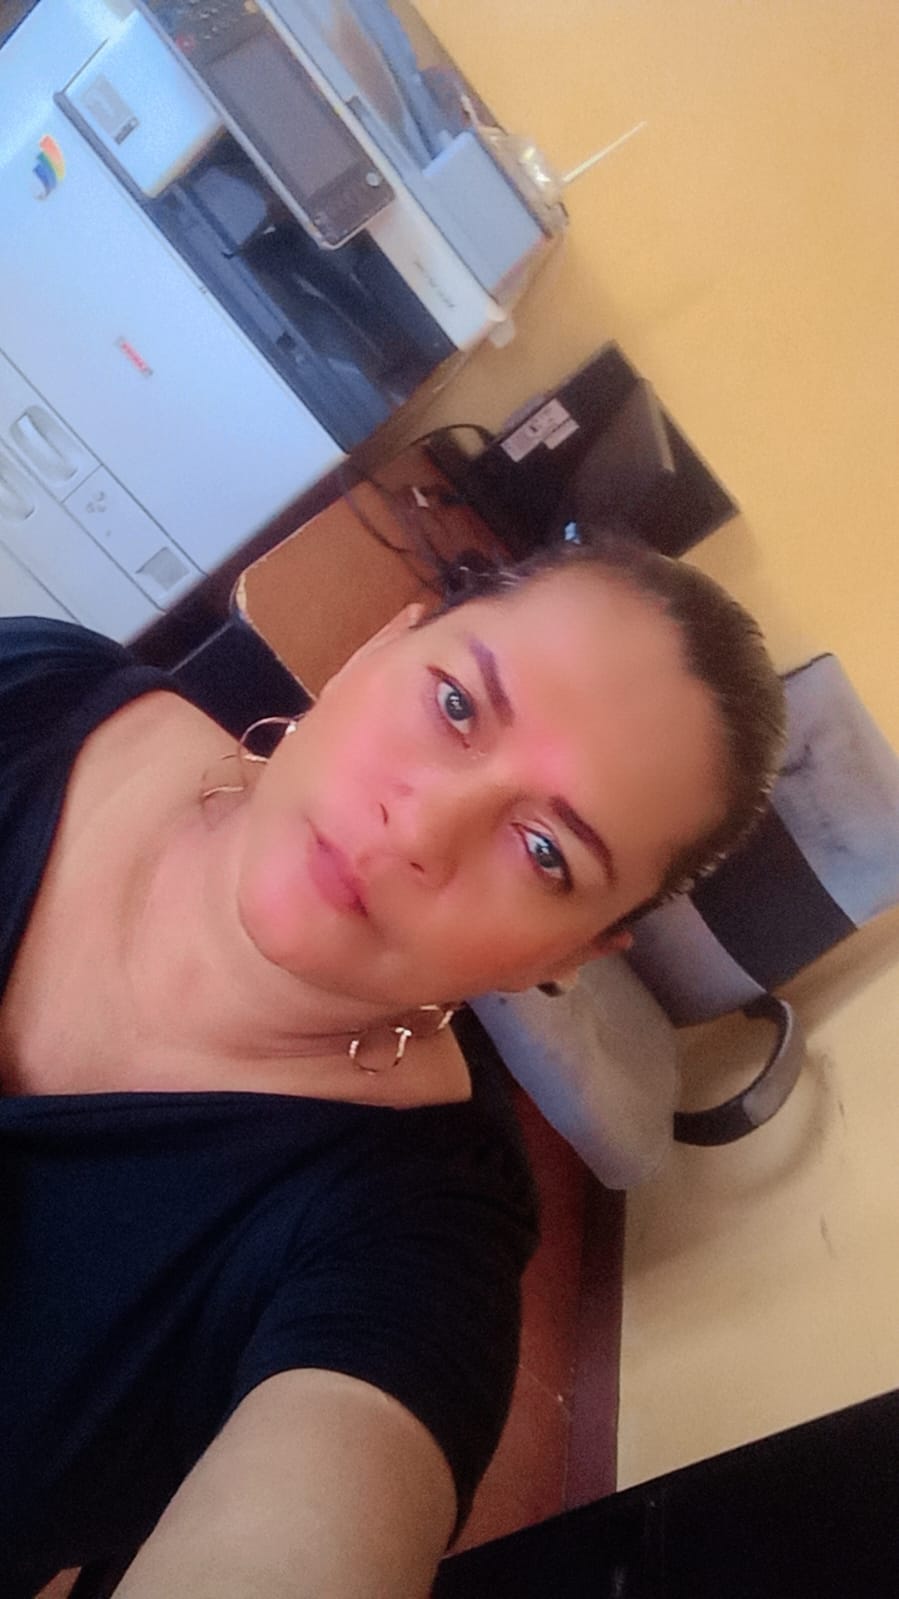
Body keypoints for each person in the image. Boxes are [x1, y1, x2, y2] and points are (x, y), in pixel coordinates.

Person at [0, 530, 785, 1598]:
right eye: (456, 704)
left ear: (564, 957)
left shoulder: (418, 1243)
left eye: (545, 852)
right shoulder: (38, 689)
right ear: (373, 651)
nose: (421, 824)